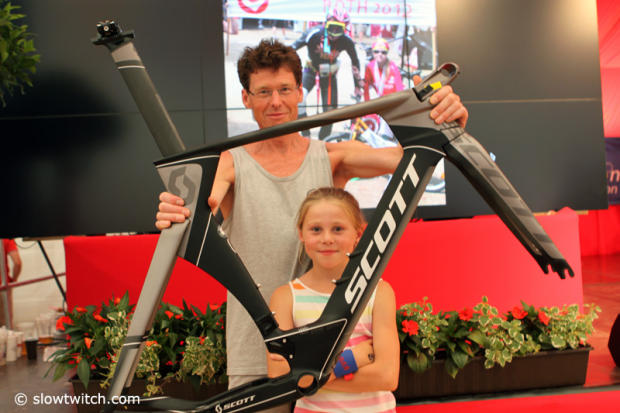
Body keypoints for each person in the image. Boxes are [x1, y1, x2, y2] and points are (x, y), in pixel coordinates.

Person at [155, 38, 467, 411]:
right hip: (258, 355)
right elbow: (202, 201)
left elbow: (414, 155)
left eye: (285, 89)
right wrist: (178, 209)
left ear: (300, 93)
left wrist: (443, 119)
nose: (276, 101)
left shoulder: (332, 156)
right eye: (264, 92)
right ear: (245, 98)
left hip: (327, 357)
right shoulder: (229, 163)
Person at [268, 187, 398, 412]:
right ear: (301, 233)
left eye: (338, 229)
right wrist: (353, 359)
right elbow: (280, 377)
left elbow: (386, 376)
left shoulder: (379, 293)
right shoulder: (286, 298)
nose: (327, 239)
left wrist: (308, 377)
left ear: (358, 233)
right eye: (316, 229)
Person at [292, 8, 363, 139]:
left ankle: (323, 140)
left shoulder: (346, 40)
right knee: (298, 98)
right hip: (311, 69)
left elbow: (355, 62)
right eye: (332, 27)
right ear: (325, 23)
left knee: (331, 114)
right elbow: (291, 48)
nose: (334, 33)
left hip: (329, 74)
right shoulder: (313, 33)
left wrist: (357, 85)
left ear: (345, 28)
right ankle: (305, 134)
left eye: (339, 29)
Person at [1, 239, 22, 327]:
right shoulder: (6, 238)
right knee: (5, 325)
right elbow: (17, 263)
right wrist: (13, 281)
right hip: (2, 286)